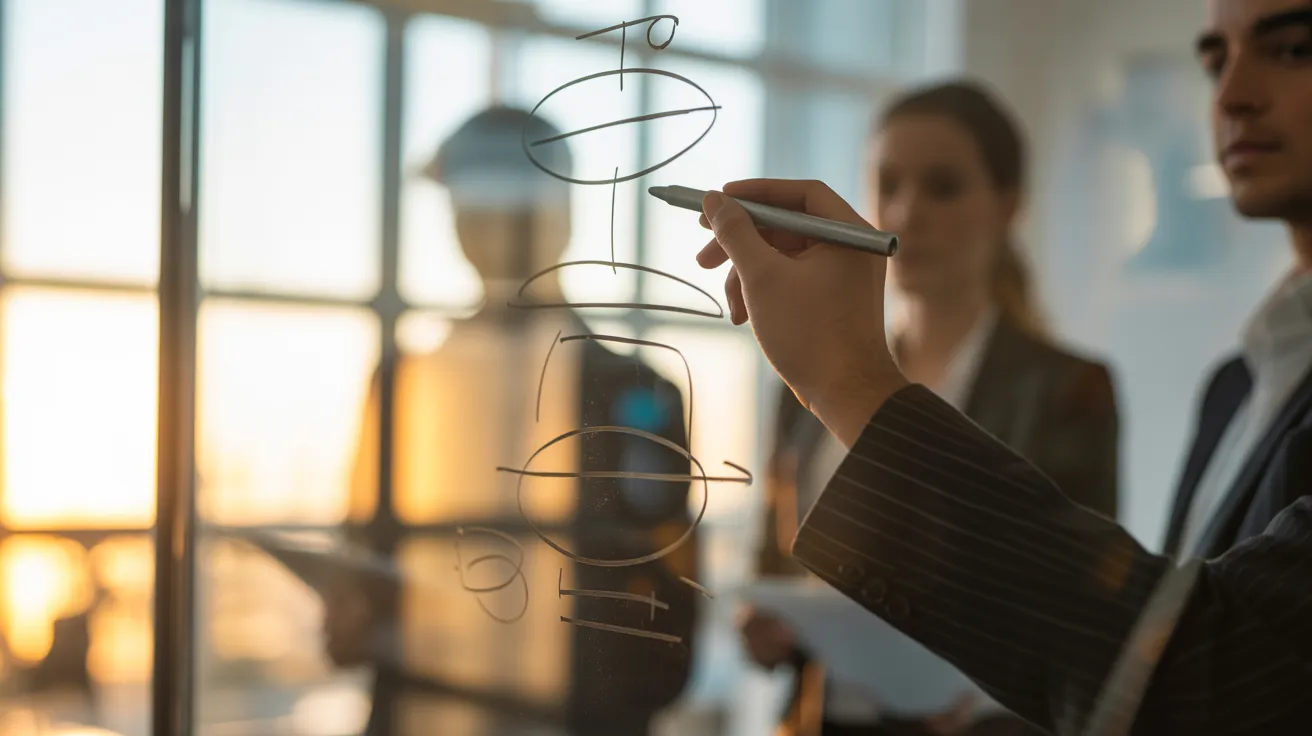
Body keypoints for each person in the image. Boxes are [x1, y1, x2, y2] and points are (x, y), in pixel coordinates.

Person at [691, 0, 1312, 730]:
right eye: (1214, 62)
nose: (1229, 96)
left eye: (1296, 49)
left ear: (1008, 204)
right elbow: (1160, 635)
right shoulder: (1237, 387)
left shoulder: (1066, 384)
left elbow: (1194, 668)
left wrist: (849, 382)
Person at [744, 81, 1119, 736]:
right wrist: (766, 629)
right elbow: (776, 560)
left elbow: (1084, 601)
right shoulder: (808, 383)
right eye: (888, 185)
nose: (907, 212)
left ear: (1008, 205)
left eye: (942, 187)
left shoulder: (1068, 388)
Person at [323, 106, 698, 736]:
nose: (482, 227)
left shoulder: (636, 392)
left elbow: (667, 609)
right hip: (421, 710)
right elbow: (359, 564)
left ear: (558, 218)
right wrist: (351, 615)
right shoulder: (399, 382)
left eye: (498, 205)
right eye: (469, 208)